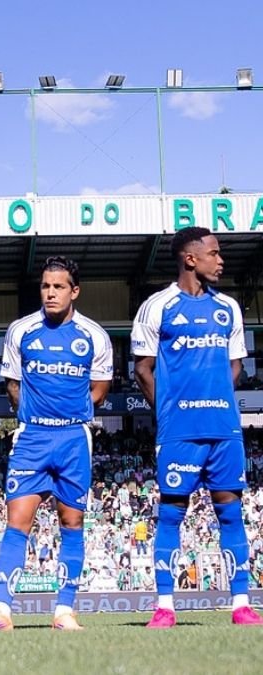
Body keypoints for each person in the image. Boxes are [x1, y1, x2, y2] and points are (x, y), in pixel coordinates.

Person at [0, 257, 112, 632]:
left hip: (73, 438)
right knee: (17, 523)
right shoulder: (21, 331)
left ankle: (64, 610)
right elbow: (13, 383)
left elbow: (99, 388)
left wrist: (71, 411)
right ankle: (1, 608)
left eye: (59, 286)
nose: (50, 293)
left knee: (72, 521)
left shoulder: (94, 336)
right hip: (32, 437)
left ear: (74, 291)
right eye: (46, 286)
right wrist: (33, 413)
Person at [131, 226, 263, 628]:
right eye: (214, 253)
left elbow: (235, 364)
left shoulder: (229, 309)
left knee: (231, 512)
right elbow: (143, 367)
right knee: (171, 513)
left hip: (223, 429)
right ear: (191, 258)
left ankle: (241, 603)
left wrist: (218, 394)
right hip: (179, 433)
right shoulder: (158, 306)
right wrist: (168, 411)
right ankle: (165, 606)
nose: (220, 260)